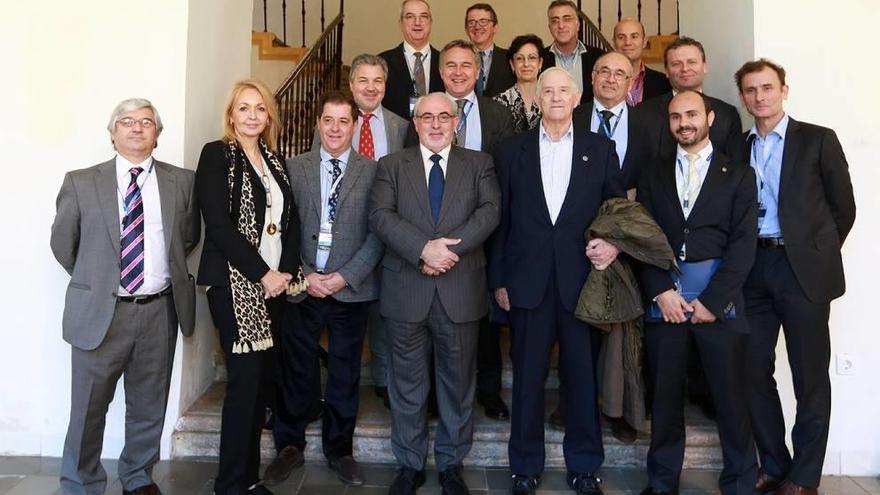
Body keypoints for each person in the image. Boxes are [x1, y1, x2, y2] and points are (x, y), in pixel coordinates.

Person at [52, 98, 200, 495]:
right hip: (101, 312)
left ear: (157, 134)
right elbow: (64, 244)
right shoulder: (81, 181)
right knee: (87, 409)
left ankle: (137, 477)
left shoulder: (181, 182)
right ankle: (81, 482)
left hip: (158, 310)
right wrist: (97, 280)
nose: (137, 128)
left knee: (149, 405)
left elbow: (187, 238)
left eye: (146, 122)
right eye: (127, 121)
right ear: (112, 132)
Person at [491, 68, 625, 495]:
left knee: (582, 379)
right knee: (528, 380)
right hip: (527, 283)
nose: (554, 97)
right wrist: (499, 280)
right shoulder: (511, 150)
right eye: (546, 91)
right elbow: (502, 223)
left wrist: (613, 246)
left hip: (581, 283)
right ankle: (525, 467)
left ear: (577, 96)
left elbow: (615, 212)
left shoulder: (600, 149)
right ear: (538, 99)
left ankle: (585, 467)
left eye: (562, 90)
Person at [732, 59, 856, 495]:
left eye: (767, 87)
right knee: (751, 369)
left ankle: (805, 477)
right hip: (752, 269)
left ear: (784, 89)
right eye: (750, 90)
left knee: (809, 376)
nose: (759, 96)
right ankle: (776, 464)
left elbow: (844, 208)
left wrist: (813, 253)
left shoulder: (818, 140)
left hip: (801, 270)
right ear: (743, 96)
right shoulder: (736, 145)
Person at [369, 92, 500, 495]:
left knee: (457, 384)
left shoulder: (479, 164)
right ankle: (409, 464)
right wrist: (423, 249)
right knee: (406, 385)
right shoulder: (392, 165)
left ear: (457, 122)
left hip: (459, 290)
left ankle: (450, 465)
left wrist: (448, 251)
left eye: (445, 116)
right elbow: (380, 216)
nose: (437, 123)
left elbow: (490, 212)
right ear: (415, 121)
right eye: (427, 116)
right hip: (407, 289)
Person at [636, 90, 758, 495]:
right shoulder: (652, 172)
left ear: (710, 118)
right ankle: (661, 481)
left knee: (731, 398)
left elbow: (744, 244)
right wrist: (659, 292)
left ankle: (740, 481)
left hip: (718, 302)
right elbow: (643, 237)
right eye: (675, 116)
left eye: (691, 114)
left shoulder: (738, 173)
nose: (683, 122)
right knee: (665, 400)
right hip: (665, 302)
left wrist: (712, 301)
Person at [265, 91, 383, 487]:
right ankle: (289, 446)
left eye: (343, 121)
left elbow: (378, 233)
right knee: (295, 369)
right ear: (318, 123)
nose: (335, 128)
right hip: (302, 286)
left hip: (350, 288)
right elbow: (278, 229)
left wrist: (344, 276)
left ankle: (340, 450)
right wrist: (303, 275)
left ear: (355, 125)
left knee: (345, 373)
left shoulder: (374, 171)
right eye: (328, 121)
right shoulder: (292, 168)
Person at [195, 79, 303, 495]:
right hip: (234, 287)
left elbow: (290, 224)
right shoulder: (217, 155)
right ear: (231, 115)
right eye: (244, 108)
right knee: (243, 387)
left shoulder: (276, 162)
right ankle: (230, 485)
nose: (252, 115)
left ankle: (251, 479)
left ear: (269, 116)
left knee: (262, 387)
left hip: (274, 287)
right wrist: (264, 273)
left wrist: (286, 272)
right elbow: (219, 227)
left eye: (260, 108)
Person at [311, 54, 410, 409]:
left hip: (387, 232)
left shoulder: (401, 126)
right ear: (351, 85)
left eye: (378, 81)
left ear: (386, 86)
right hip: (341, 240)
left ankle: (383, 379)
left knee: (386, 311)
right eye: (363, 80)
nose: (371, 87)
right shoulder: (332, 124)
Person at [640, 37, 741, 160]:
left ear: (704, 66)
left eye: (692, 62)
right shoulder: (643, 113)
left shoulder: (727, 114)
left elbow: (733, 167)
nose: (685, 69)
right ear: (666, 71)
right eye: (676, 64)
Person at [379, 0, 444, 119]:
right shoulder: (382, 62)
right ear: (400, 23)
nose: (417, 22)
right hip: (396, 135)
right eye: (410, 17)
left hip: (437, 133)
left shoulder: (445, 61)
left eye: (423, 16)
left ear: (430, 22)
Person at [540, 0, 605, 102]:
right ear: (550, 27)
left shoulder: (599, 57)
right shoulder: (540, 59)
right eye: (555, 21)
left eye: (567, 19)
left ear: (578, 25)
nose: (561, 25)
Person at [611, 18, 671, 105]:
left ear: (644, 42)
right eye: (621, 37)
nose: (627, 42)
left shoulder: (663, 82)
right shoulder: (602, 82)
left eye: (634, 36)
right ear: (614, 43)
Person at [493, 34, 545, 133]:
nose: (526, 64)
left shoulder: (552, 98)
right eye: (519, 59)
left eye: (532, 58)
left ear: (540, 63)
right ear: (512, 64)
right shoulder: (498, 103)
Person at [464, 2, 514, 98]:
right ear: (466, 29)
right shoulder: (458, 60)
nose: (477, 27)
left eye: (483, 21)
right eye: (471, 22)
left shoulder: (510, 58)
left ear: (495, 27)